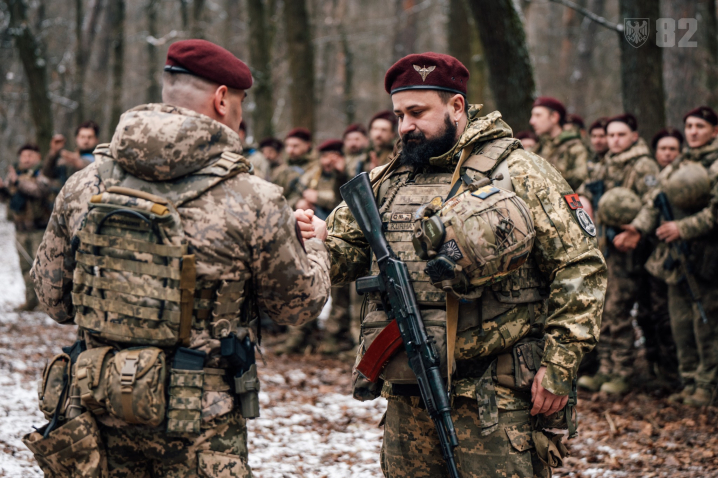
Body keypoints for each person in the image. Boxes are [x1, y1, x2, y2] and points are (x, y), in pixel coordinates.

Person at [27, 39, 330, 477]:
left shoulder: (83, 185)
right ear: (222, 99)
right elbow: (297, 307)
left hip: (95, 408)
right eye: (241, 102)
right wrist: (316, 244)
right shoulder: (254, 199)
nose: (242, 116)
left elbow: (54, 301)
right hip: (202, 423)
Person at [298, 52, 606, 477]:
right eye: (400, 114)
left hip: (494, 404)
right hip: (408, 398)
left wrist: (560, 364)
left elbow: (580, 267)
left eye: (418, 112)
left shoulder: (520, 172)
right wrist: (316, 242)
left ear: (457, 107)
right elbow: (347, 255)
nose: (406, 125)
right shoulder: (386, 182)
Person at [617, 106, 718, 406]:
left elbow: (716, 213)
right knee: (681, 322)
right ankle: (688, 382)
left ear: (714, 131)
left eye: (700, 126)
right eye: (689, 125)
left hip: (707, 257)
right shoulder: (680, 163)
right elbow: (654, 200)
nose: (693, 131)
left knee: (706, 323)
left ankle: (707, 385)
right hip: (677, 258)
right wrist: (637, 229)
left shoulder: (715, 165)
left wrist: (682, 228)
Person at [576, 113, 660, 395]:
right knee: (602, 311)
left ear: (634, 136)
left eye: (621, 135)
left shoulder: (642, 164)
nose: (614, 140)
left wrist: (636, 229)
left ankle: (621, 372)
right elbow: (583, 190)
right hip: (602, 247)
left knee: (618, 311)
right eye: (611, 135)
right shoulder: (604, 163)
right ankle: (605, 369)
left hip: (626, 250)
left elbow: (653, 201)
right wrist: (582, 199)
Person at [281, 139, 350, 356]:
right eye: (324, 155)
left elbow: (345, 201)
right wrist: (302, 204)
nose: (327, 160)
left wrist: (319, 196)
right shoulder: (314, 173)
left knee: (338, 293)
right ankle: (300, 336)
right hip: (309, 235)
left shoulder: (345, 174)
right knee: (304, 285)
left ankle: (330, 339)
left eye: (332, 155)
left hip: (338, 238)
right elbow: (297, 193)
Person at [0, 144, 52, 311]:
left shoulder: (43, 174)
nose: (26, 159)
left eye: (31, 155)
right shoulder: (15, 175)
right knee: (25, 267)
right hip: (20, 229)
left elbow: (39, 191)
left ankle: (46, 303)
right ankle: (30, 300)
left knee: (42, 267)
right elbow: (9, 200)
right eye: (23, 155)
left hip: (39, 230)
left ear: (38, 157)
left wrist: (18, 182)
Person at [530, 97, 589, 191]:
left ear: (554, 117)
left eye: (538, 115)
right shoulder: (538, 148)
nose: (532, 121)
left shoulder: (574, 147)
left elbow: (581, 179)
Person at [42, 120, 100, 186]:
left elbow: (91, 165)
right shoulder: (67, 161)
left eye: (90, 137)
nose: (86, 141)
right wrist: (53, 153)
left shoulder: (101, 158)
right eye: (82, 137)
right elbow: (47, 173)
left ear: (96, 139)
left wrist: (78, 163)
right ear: (76, 139)